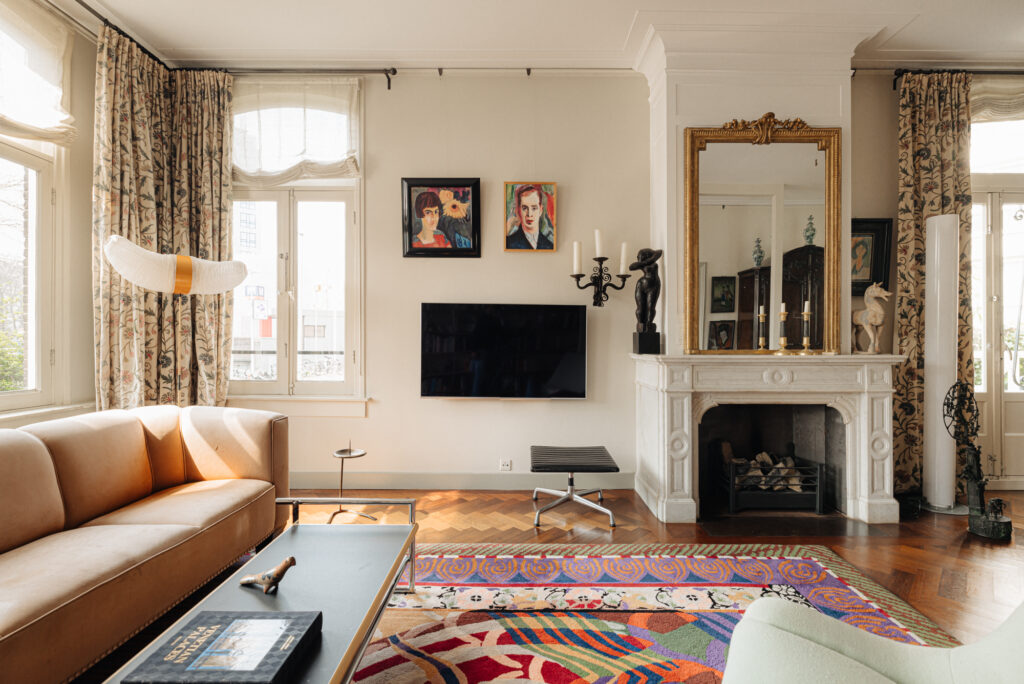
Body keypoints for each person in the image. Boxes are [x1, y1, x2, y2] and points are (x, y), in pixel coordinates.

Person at [505, 184, 554, 250]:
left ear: (541, 210)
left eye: (534, 208)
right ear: (518, 210)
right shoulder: (509, 244)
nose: (529, 214)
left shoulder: (550, 246)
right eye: (525, 208)